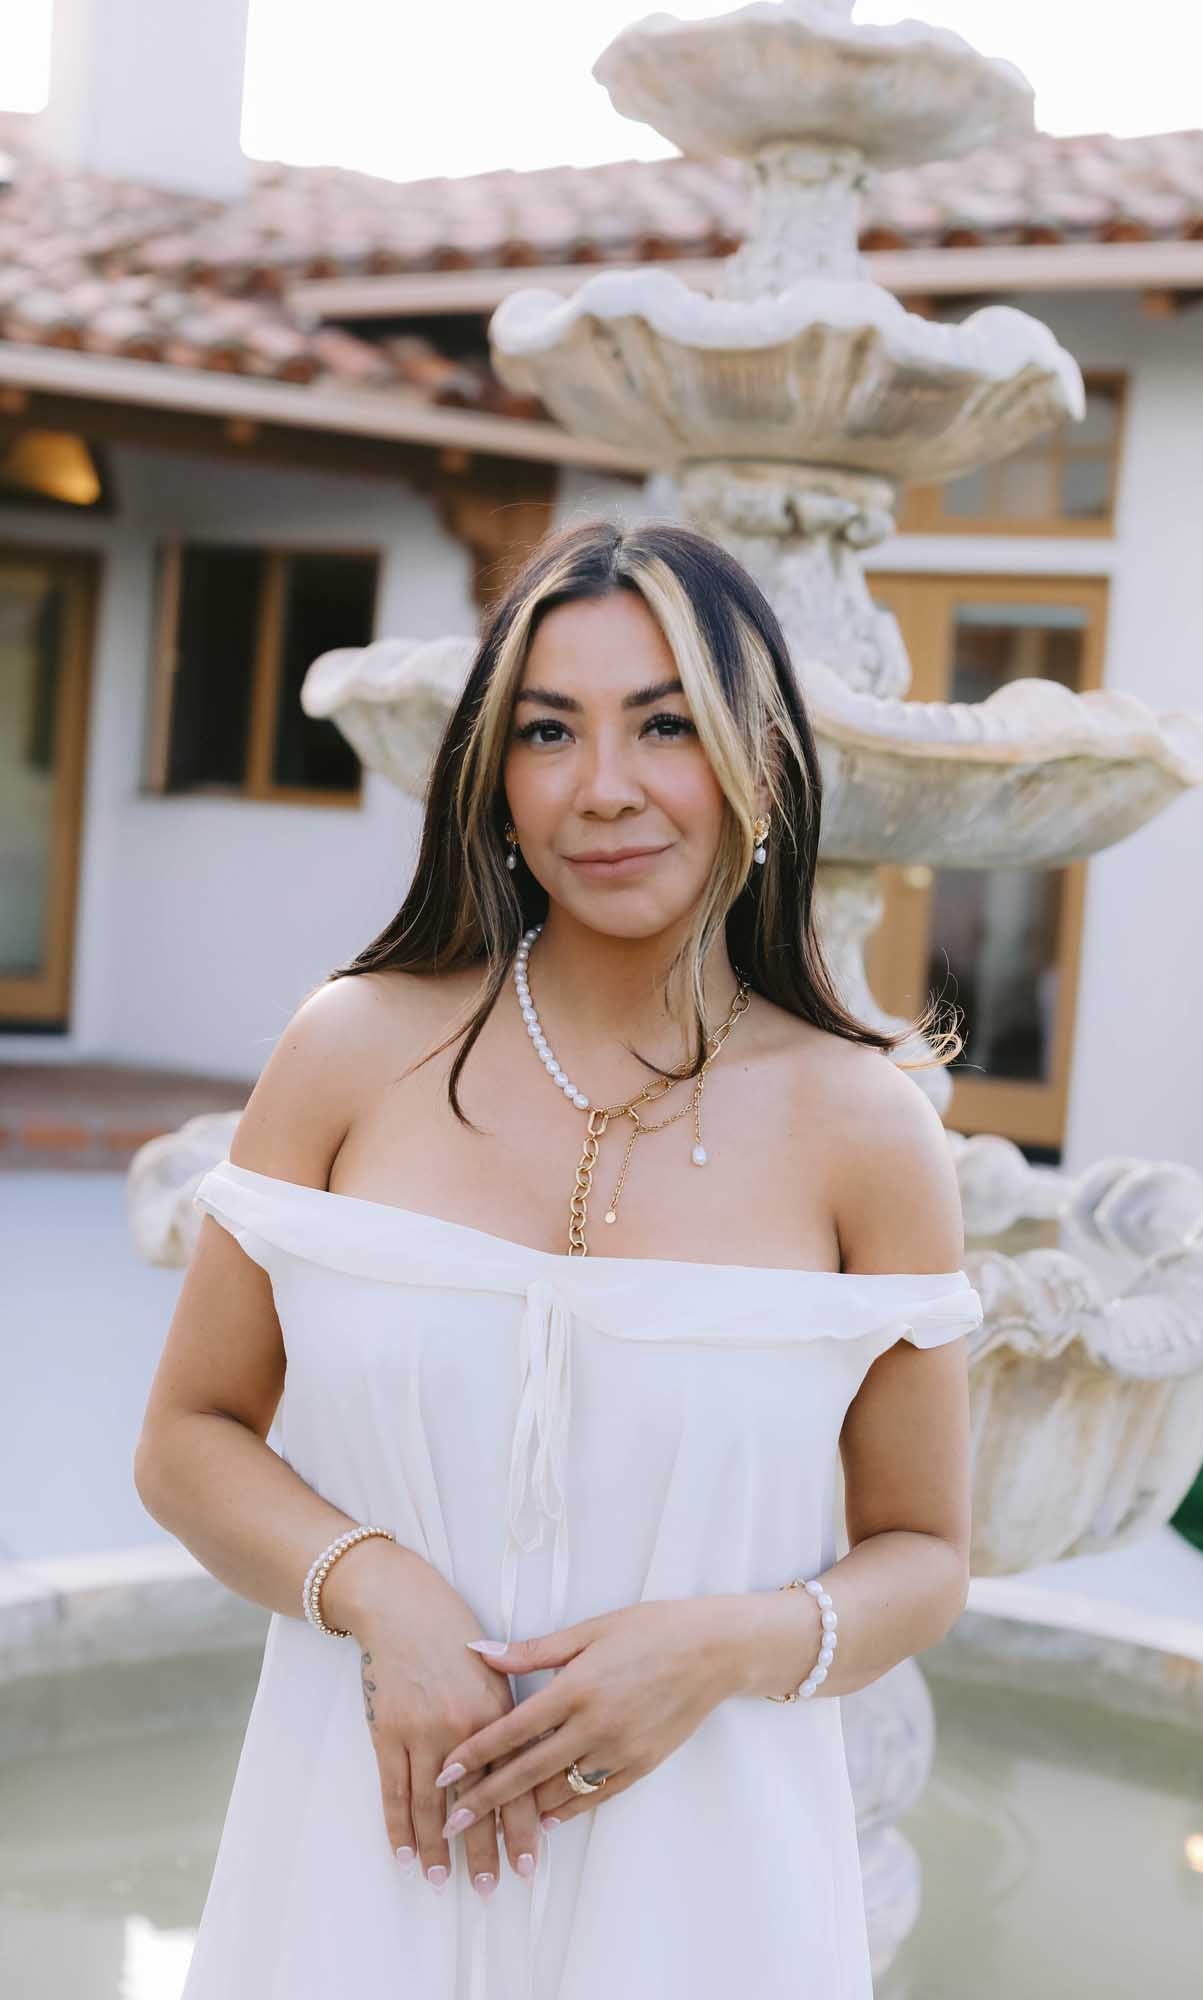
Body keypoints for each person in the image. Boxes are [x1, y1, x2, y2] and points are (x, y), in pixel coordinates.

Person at [134, 517, 983, 2000]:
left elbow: (924, 1555)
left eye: (665, 724)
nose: (603, 788)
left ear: (758, 759)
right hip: (360, 1865)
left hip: (704, 1894)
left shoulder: (867, 1129)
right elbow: (187, 1438)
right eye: (548, 730)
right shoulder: (350, 1050)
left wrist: (718, 1649)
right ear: (495, 778)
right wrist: (374, 1588)